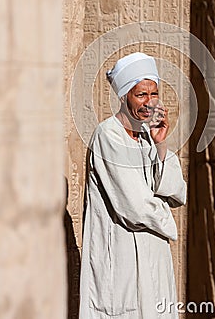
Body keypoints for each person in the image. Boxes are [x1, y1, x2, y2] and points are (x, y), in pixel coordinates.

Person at [79, 52, 187, 319]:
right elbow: (134, 205)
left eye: (154, 94)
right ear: (125, 95)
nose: (149, 103)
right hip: (122, 256)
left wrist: (161, 143)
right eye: (141, 95)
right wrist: (167, 223)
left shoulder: (148, 136)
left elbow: (176, 190)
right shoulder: (108, 135)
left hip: (154, 253)